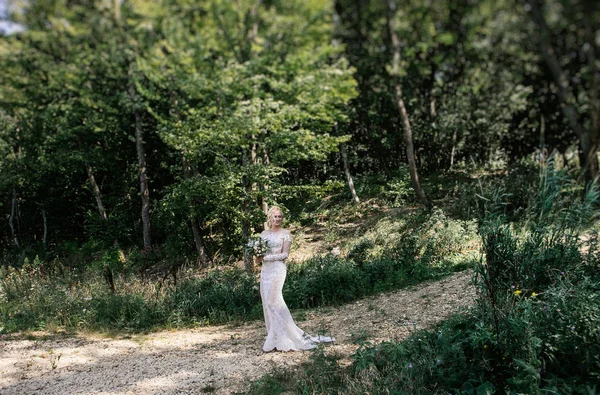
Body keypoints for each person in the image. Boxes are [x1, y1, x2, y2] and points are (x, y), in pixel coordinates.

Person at [256, 206, 335, 352]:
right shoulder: (263, 234)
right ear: (270, 217)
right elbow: (259, 256)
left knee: (275, 300)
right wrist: (257, 255)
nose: (278, 219)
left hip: (278, 269)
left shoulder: (286, 234)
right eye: (275, 216)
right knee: (267, 302)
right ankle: (274, 335)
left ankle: (291, 335)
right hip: (266, 271)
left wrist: (267, 257)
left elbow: (285, 254)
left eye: (280, 217)